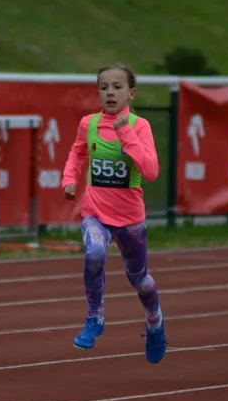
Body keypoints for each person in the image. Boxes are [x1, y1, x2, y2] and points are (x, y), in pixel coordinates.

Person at [61, 62, 167, 364]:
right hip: (95, 211)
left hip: (130, 219)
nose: (110, 92)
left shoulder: (140, 126)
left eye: (117, 87)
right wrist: (69, 179)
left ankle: (155, 322)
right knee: (94, 254)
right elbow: (78, 151)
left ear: (131, 93)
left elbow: (151, 171)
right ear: (97, 94)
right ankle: (95, 318)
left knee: (140, 280)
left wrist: (125, 133)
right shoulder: (89, 123)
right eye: (104, 87)